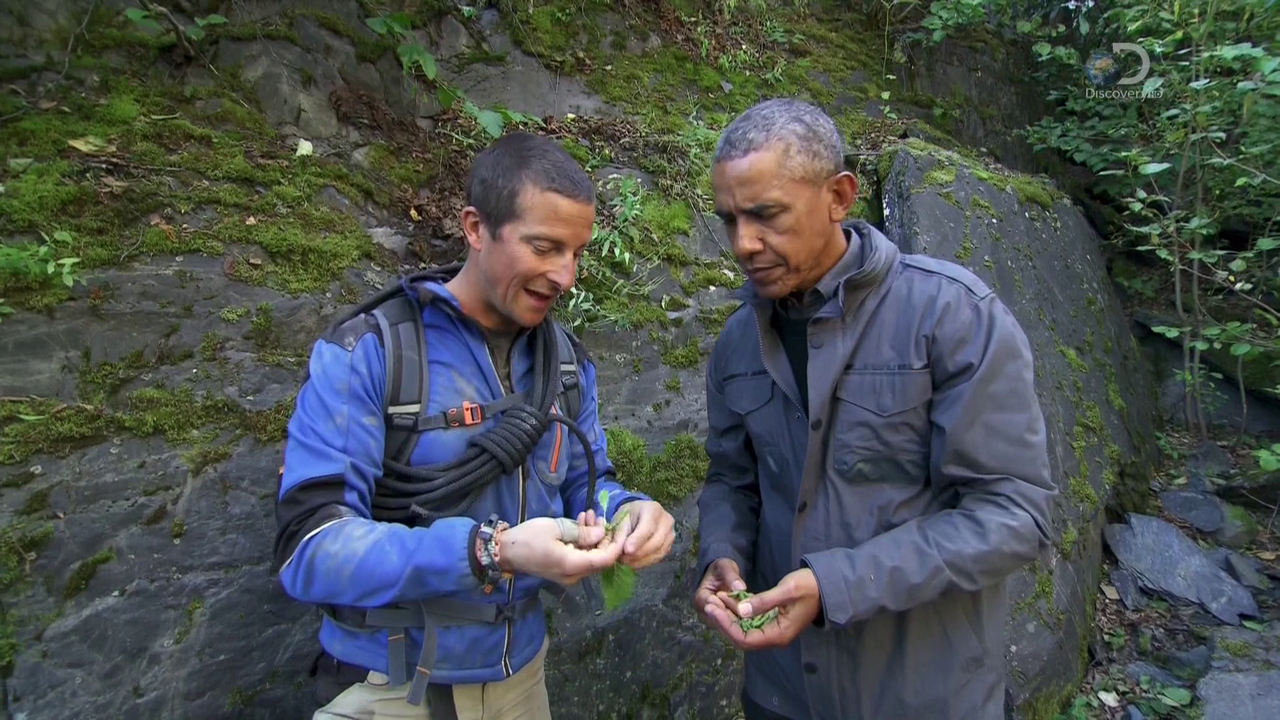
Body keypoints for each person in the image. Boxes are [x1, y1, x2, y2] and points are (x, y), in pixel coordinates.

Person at [273, 131, 677, 720]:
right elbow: (310, 549)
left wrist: (626, 510)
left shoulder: (564, 365)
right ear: (475, 228)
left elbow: (585, 484)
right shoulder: (372, 354)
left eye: (577, 252)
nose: (565, 275)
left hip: (522, 685)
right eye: (544, 247)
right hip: (390, 685)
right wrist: (493, 550)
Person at [692, 98, 1057, 720]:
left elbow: (1014, 515)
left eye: (766, 215)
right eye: (729, 220)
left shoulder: (952, 316)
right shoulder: (737, 342)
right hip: (782, 693)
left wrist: (837, 585)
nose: (743, 244)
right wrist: (721, 553)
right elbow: (733, 479)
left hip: (924, 697)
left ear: (839, 196)